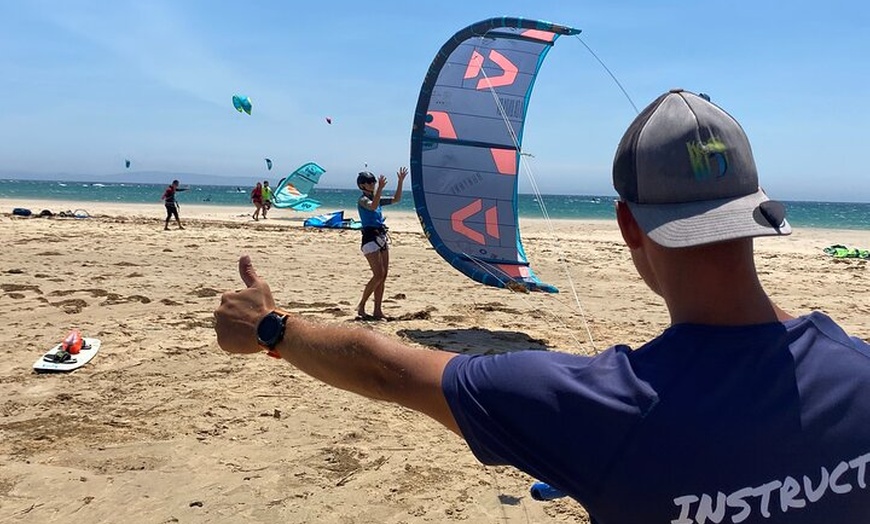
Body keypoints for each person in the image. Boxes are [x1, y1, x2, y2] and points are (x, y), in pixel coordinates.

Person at [214, 90, 870, 523]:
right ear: (760, 207)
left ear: (628, 226)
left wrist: (272, 328)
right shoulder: (858, 370)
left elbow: (390, 371)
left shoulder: (602, 407)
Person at [355, 167, 407, 320]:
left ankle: (377, 310)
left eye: (373, 181)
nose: (372, 184)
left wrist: (400, 182)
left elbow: (396, 199)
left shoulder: (376, 198)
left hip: (381, 237)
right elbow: (371, 206)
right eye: (369, 182)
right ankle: (362, 305)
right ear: (362, 186)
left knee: (383, 276)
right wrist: (380, 189)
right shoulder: (363, 200)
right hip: (370, 239)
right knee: (377, 275)